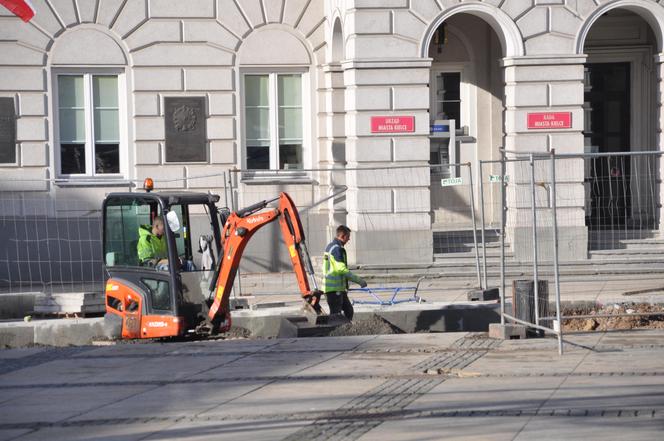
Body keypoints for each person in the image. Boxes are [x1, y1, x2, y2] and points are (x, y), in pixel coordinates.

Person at [322, 225, 367, 321]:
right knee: (336, 315)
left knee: (348, 311)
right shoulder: (336, 249)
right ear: (342, 236)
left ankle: (344, 330)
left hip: (337, 289)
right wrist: (359, 280)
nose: (349, 239)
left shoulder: (332, 246)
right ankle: (336, 332)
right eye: (348, 237)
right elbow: (341, 269)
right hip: (334, 289)